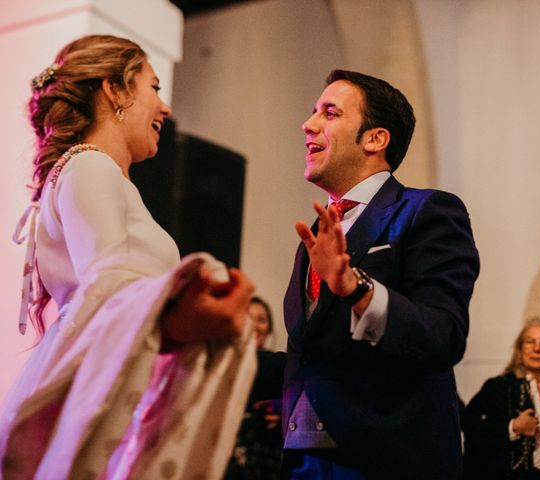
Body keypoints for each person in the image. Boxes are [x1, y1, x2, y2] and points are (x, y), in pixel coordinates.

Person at [1, 35, 256, 480]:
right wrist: (179, 316)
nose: (166, 108)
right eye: (154, 87)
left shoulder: (91, 172)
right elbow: (110, 281)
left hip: (104, 375)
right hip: (95, 389)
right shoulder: (89, 166)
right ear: (114, 90)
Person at [257, 70, 480, 479]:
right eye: (312, 113)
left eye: (329, 112)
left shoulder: (426, 211)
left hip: (387, 460)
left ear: (375, 139)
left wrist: (353, 287)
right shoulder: (319, 232)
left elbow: (443, 335)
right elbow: (310, 359)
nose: (308, 124)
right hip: (304, 463)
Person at [462, 316, 540, 479]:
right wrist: (512, 427)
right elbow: (470, 427)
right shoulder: (498, 386)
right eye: (530, 341)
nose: (537, 349)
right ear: (520, 349)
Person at [224, 296, 283, 480]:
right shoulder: (222, 365)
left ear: (269, 329)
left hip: (265, 461)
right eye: (247, 316)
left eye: (262, 319)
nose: (254, 325)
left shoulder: (279, 369)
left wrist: (284, 410)